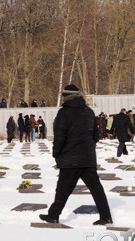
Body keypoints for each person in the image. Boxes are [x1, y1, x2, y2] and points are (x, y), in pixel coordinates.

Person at [40, 84, 112, 226]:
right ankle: (106, 216)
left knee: (62, 189)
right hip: (87, 157)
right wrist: (88, 148)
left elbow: (60, 136)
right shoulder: (89, 112)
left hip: (70, 158)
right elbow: (96, 135)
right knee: (96, 189)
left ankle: (53, 216)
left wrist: (56, 153)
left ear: (66, 97)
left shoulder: (64, 113)